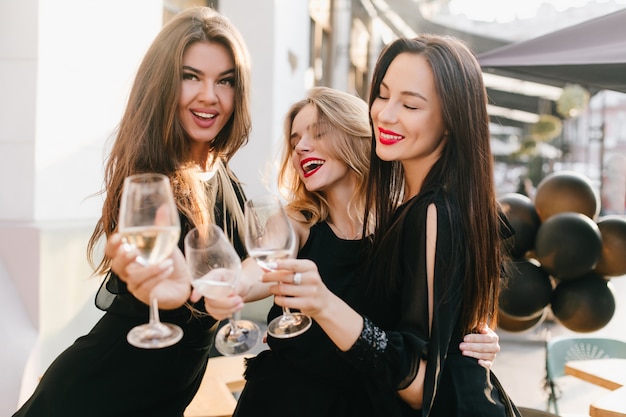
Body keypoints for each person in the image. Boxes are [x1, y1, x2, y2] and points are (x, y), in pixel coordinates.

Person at [258, 36, 520, 417]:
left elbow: (422, 389)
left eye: (411, 104)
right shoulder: (411, 212)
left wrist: (324, 305)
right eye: (382, 95)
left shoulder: (433, 212)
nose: (385, 114)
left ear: (452, 121)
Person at [205, 86, 503, 417]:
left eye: (318, 133)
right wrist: (232, 284)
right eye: (294, 142)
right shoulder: (297, 219)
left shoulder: (407, 227)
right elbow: (260, 266)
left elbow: (431, 327)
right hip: (288, 401)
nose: (301, 147)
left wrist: (472, 342)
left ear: (357, 135)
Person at [13, 7, 252, 417]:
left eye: (224, 81)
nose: (209, 95)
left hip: (161, 399)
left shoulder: (221, 172)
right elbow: (145, 275)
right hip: (97, 396)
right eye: (190, 76)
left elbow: (240, 269)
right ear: (162, 83)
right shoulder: (153, 180)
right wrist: (149, 290)